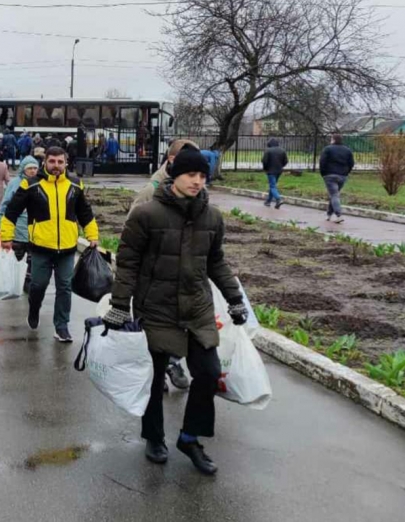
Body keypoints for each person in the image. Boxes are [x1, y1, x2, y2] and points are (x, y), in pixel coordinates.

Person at [102, 147, 248, 475]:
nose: (197, 181)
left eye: (202, 176)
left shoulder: (212, 217)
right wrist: (119, 305)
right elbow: (127, 263)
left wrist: (235, 298)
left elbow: (216, 262)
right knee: (154, 379)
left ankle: (189, 437)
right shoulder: (147, 214)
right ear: (175, 175)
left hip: (196, 308)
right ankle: (154, 436)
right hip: (156, 307)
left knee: (208, 373)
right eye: (191, 175)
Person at [0, 147, 99, 342]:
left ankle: (61, 326)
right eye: (52, 161)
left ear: (66, 163)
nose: (56, 166)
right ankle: (34, 308)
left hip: (67, 248)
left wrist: (92, 235)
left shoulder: (75, 185)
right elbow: (11, 212)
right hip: (40, 248)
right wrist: (6, 236)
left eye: (60, 162)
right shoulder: (30, 185)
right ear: (45, 162)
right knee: (38, 285)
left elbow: (85, 212)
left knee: (64, 286)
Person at [129, 138, 200, 392]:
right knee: (156, 326)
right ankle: (161, 368)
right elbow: (133, 229)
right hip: (154, 276)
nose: (196, 177)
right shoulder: (152, 190)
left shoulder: (196, 191)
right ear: (172, 161)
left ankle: (172, 362)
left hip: (184, 275)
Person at [0, 155, 39, 294]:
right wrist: (0, 223)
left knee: (33, 260)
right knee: (17, 258)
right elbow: (5, 204)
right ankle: (14, 283)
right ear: (23, 169)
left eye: (35, 168)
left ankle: (28, 283)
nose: (33, 171)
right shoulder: (15, 183)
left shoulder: (39, 183)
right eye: (29, 168)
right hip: (18, 229)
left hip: (34, 230)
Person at [320, 134, 355, 224]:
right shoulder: (347, 150)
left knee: (334, 195)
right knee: (334, 195)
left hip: (330, 175)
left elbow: (322, 161)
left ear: (333, 140)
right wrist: (346, 172)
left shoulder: (327, 149)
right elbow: (351, 163)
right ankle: (328, 214)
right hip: (342, 176)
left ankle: (339, 215)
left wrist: (323, 173)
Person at [261, 138, 288, 208]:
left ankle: (278, 199)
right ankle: (268, 201)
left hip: (270, 171)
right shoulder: (282, 150)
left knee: (272, 186)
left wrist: (265, 168)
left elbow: (264, 161)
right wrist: (281, 166)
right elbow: (286, 161)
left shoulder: (268, 150)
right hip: (279, 171)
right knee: (273, 186)